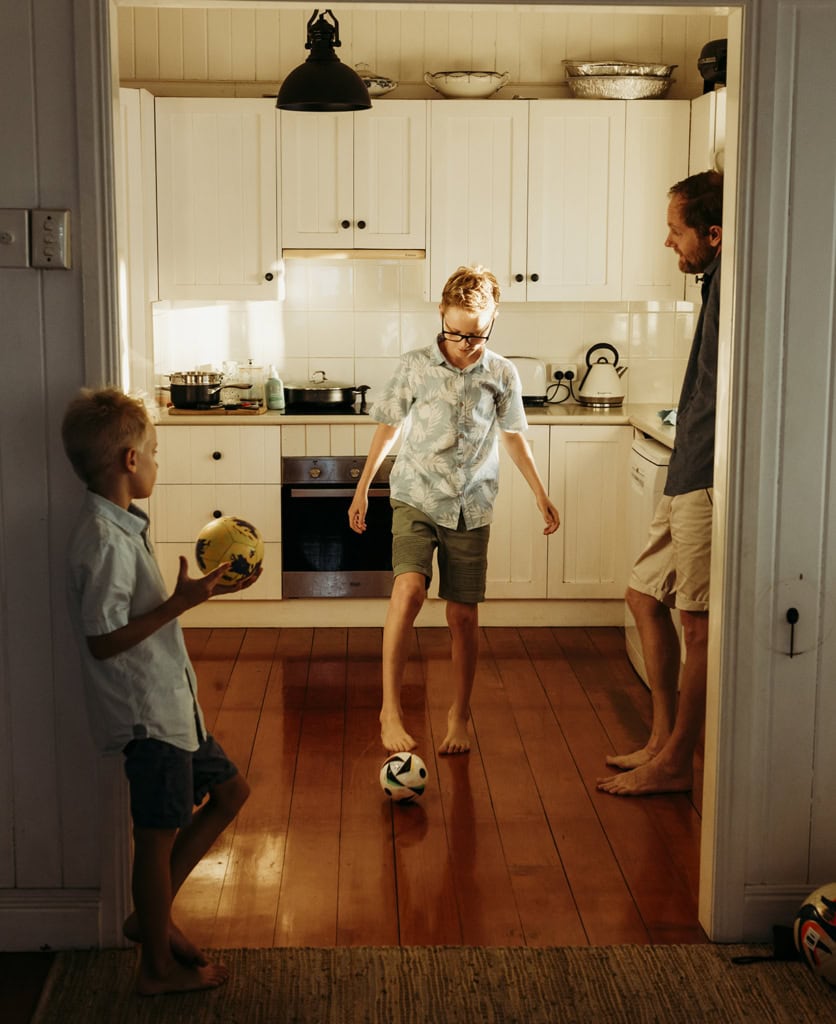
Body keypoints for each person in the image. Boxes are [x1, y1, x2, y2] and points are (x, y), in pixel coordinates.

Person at [61, 387, 257, 995]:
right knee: (155, 838)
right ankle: (156, 967)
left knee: (230, 793)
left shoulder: (122, 524)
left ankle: (148, 919)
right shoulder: (101, 539)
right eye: (152, 450)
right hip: (148, 718)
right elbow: (101, 640)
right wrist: (181, 603)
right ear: (128, 461)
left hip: (174, 707)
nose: (156, 461)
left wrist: (187, 598)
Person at [348, 265, 560, 755]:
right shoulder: (415, 365)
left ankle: (459, 714)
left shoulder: (502, 373)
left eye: (477, 334)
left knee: (463, 616)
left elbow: (513, 437)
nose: (466, 343)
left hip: (472, 503)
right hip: (415, 495)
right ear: (441, 315)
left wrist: (540, 492)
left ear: (493, 320)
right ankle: (390, 709)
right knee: (409, 589)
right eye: (456, 332)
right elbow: (388, 427)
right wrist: (363, 488)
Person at [598, 170, 723, 797]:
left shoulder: (734, 288)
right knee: (644, 596)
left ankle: (676, 762)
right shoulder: (715, 282)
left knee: (696, 623)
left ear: (714, 232)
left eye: (677, 231)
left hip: (705, 476)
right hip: (686, 467)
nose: (668, 243)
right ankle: (661, 738)